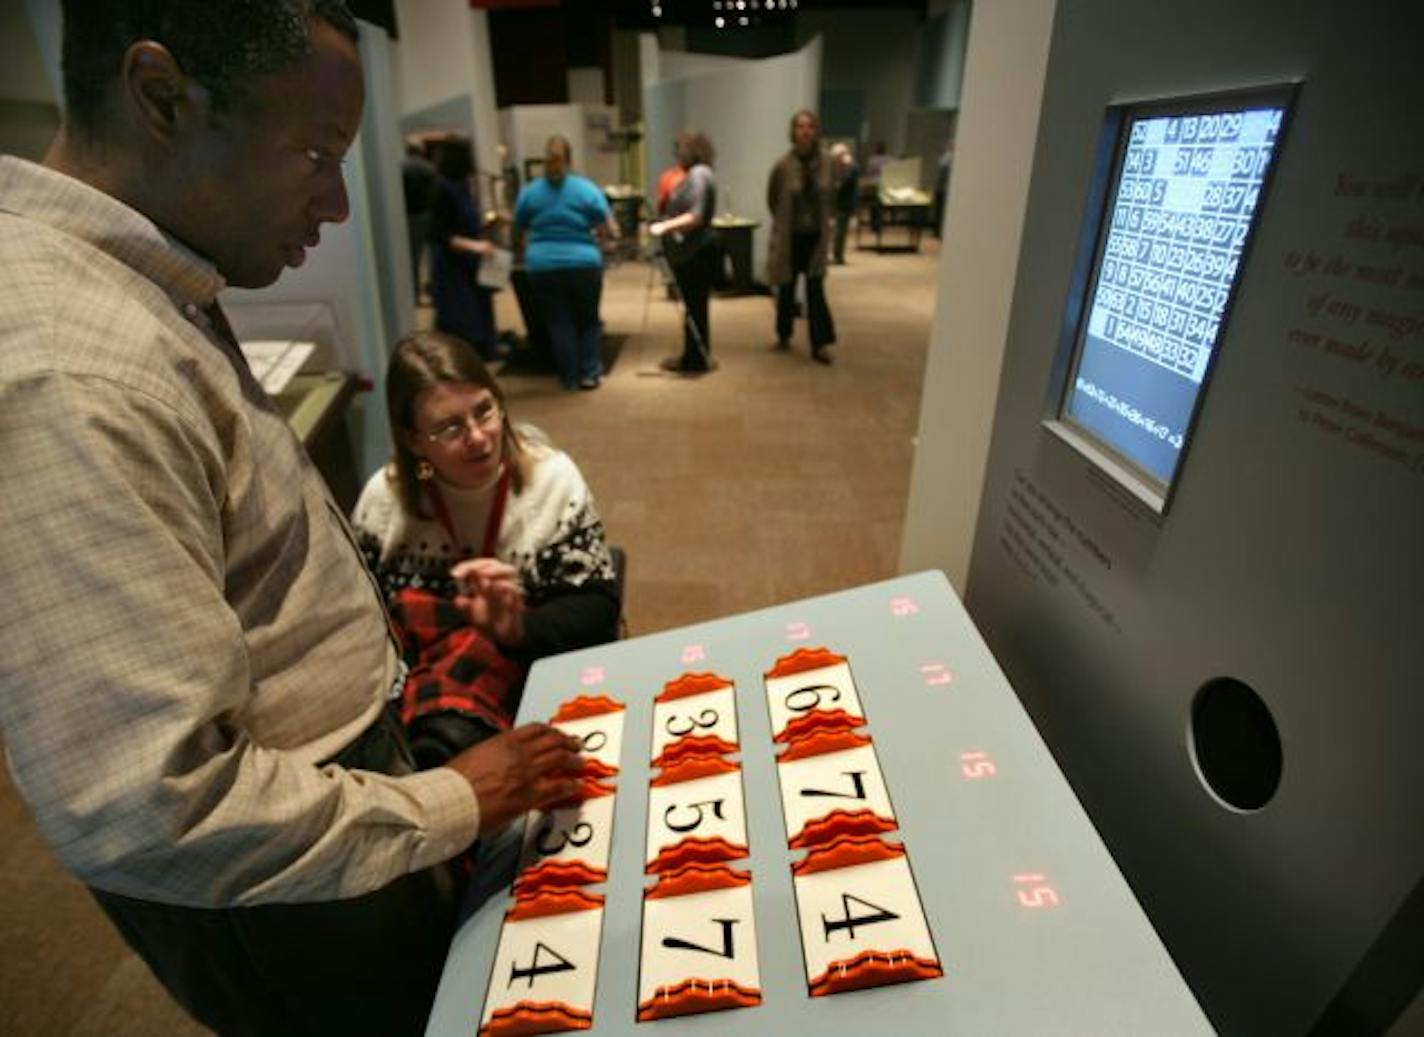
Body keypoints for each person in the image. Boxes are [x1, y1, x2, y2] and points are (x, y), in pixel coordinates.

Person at [0, 4, 583, 1035]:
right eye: (316, 153)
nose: (340, 205)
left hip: (340, 798)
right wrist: (450, 800)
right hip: (284, 885)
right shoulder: (68, 370)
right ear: (162, 97)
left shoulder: (137, 292)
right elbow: (156, 805)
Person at [353, 330, 621, 767]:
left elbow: (597, 606)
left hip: (530, 674)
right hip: (415, 688)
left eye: (485, 411)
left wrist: (516, 627)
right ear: (414, 440)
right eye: (450, 427)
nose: (478, 438)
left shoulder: (551, 480)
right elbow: (363, 621)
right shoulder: (383, 501)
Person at [514, 136, 618, 391]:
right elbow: (608, 227)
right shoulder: (586, 189)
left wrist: (522, 251)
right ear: (571, 160)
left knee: (559, 322)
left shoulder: (530, 192)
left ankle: (569, 377)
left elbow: (518, 229)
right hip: (583, 263)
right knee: (588, 320)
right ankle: (590, 373)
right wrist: (604, 243)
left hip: (543, 266)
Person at [767, 109, 838, 364]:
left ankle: (819, 344)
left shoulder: (827, 164)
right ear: (793, 132)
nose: (805, 132)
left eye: (810, 127)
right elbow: (773, 199)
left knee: (815, 289)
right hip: (790, 237)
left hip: (815, 237)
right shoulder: (782, 166)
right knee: (786, 287)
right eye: (800, 127)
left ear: (816, 131)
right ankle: (784, 334)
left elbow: (832, 198)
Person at [650, 130, 717, 375]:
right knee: (694, 307)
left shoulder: (699, 175)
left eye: (680, 150)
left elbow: (696, 216)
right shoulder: (698, 173)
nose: (677, 155)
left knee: (695, 308)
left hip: (695, 252)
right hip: (693, 251)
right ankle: (694, 356)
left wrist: (664, 226)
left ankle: (696, 359)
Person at [430, 136, 503, 362]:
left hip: (470, 260)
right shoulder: (443, 188)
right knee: (463, 314)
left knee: (478, 310)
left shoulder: (461, 185)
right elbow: (440, 233)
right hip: (455, 264)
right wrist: (475, 245)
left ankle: (483, 350)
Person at [402, 139, 438, 295]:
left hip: (411, 215)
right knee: (432, 254)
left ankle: (415, 292)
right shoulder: (431, 168)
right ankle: (433, 289)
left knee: (413, 257)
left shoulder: (403, 167)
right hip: (429, 214)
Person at [830, 142, 859, 264]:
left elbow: (843, 183)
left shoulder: (850, 166)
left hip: (844, 203)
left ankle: (838, 256)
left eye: (836, 157)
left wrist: (835, 184)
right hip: (839, 203)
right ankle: (837, 254)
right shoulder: (845, 165)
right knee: (838, 231)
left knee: (840, 232)